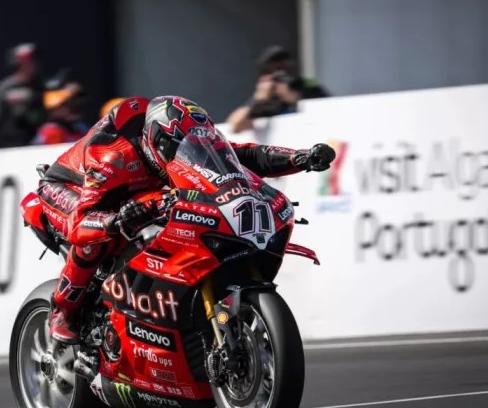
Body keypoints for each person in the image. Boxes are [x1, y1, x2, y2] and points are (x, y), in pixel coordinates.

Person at [38, 95, 336, 343]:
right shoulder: (114, 157)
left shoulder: (180, 137)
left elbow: (241, 155)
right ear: (155, 141)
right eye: (175, 149)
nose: (182, 155)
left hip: (139, 192)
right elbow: (82, 222)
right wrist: (113, 222)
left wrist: (299, 158)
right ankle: (64, 309)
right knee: (100, 238)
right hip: (70, 189)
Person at [227, 45, 329, 134]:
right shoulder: (265, 103)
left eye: (283, 68)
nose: (279, 74)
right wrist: (258, 99)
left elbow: (328, 113)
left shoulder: (308, 87)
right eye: (272, 70)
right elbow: (235, 126)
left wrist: (296, 100)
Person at [0, 43, 47, 148]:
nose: (31, 66)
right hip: (10, 142)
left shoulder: (42, 85)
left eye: (32, 62)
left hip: (37, 140)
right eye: (25, 64)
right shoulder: (6, 87)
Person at [32, 71, 91, 145]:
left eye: (75, 102)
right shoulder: (51, 131)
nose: (74, 107)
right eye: (67, 104)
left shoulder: (80, 127)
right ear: (54, 109)